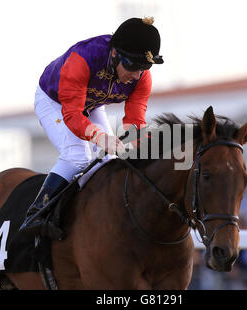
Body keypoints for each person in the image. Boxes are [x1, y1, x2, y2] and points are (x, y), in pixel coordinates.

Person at [19, 17, 164, 239]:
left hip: (91, 104)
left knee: (109, 163)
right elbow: (73, 115)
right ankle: (37, 213)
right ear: (114, 54)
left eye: (145, 67)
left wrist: (139, 148)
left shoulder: (142, 78)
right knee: (78, 156)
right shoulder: (82, 59)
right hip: (55, 102)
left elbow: (134, 122)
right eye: (133, 66)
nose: (137, 75)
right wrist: (100, 137)